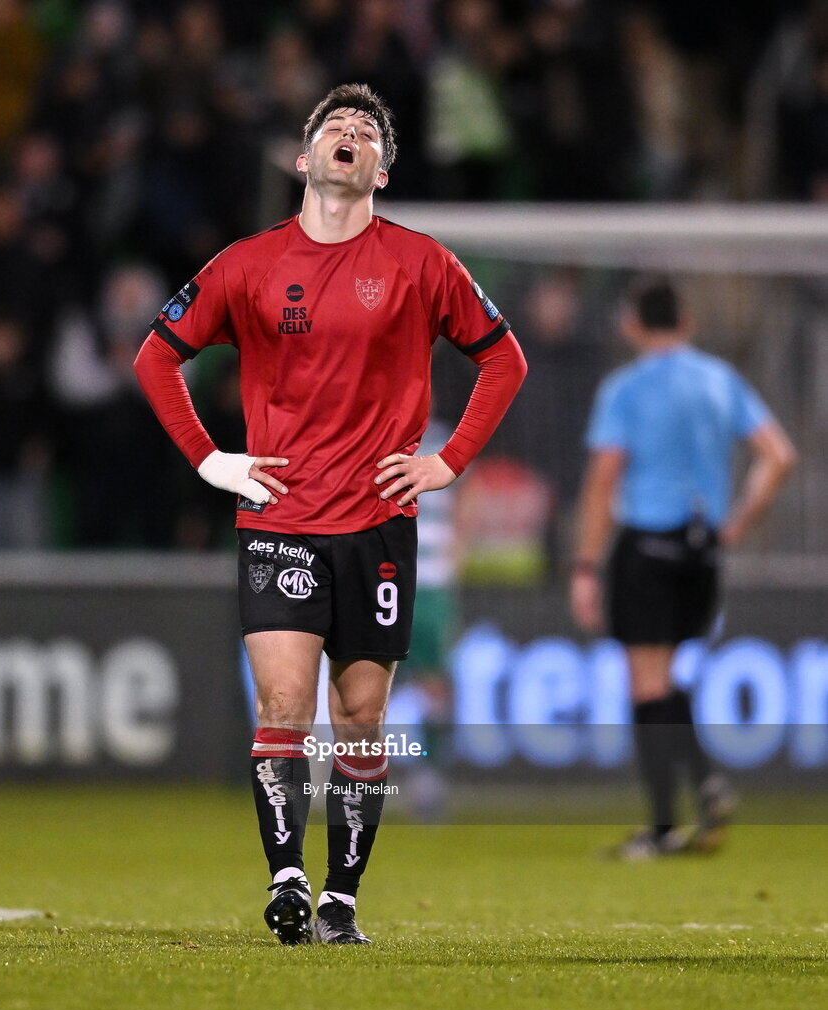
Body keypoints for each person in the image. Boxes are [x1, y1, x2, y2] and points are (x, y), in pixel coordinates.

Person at [135, 83, 526, 943]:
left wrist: (447, 461)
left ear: (381, 170)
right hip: (278, 517)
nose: (350, 134)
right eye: (334, 127)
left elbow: (504, 362)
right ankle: (285, 882)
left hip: (379, 522)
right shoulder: (245, 265)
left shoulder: (424, 264)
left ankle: (341, 898)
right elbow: (156, 359)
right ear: (304, 159)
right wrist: (212, 461)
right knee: (282, 707)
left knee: (359, 719)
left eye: (366, 132)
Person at [570, 276, 796, 860]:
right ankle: (703, 793)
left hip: (647, 544)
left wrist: (587, 564)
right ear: (687, 321)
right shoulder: (721, 380)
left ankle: (669, 822)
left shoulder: (627, 388)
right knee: (665, 680)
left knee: (647, 685)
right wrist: (740, 520)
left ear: (632, 325)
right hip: (703, 550)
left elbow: (603, 479)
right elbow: (778, 457)